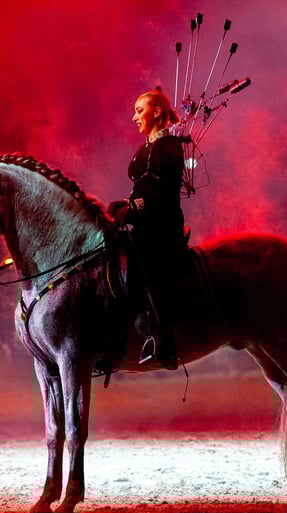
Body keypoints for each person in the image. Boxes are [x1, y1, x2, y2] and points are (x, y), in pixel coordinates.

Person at [107, 88, 185, 370]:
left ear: (156, 112)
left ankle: (166, 342)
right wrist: (124, 205)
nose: (134, 117)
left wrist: (134, 208)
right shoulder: (145, 148)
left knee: (149, 268)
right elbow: (144, 189)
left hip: (162, 227)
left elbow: (162, 193)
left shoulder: (171, 147)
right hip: (142, 226)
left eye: (140, 110)